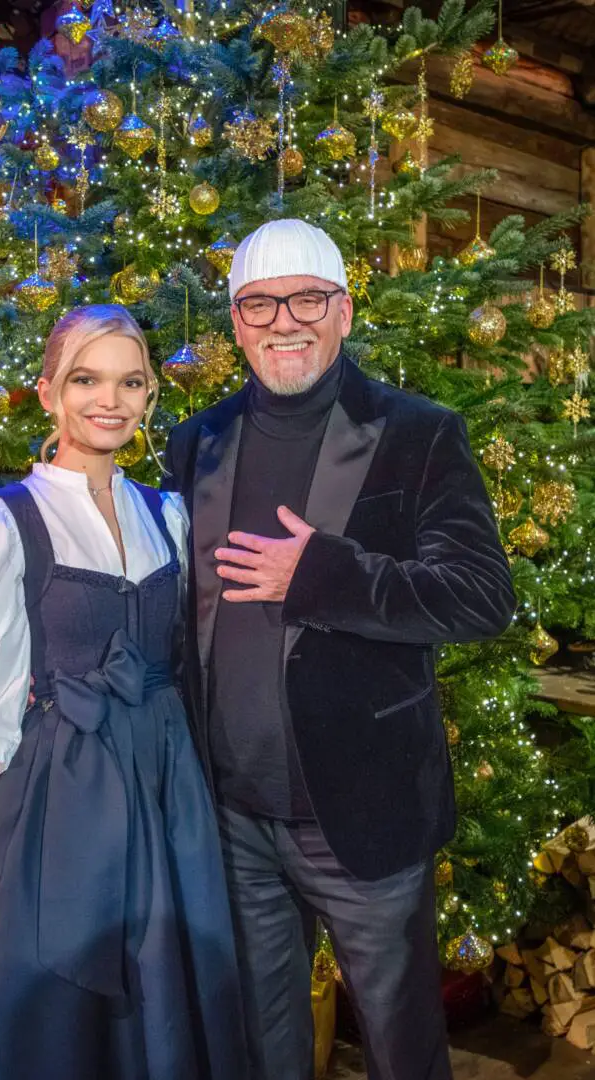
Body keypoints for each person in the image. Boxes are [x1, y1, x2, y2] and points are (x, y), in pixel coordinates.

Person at [162, 218, 516, 1080]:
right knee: (262, 1040)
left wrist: (323, 575)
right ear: (236, 322)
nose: (284, 320)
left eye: (307, 299)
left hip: (361, 808)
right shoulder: (194, 441)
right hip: (231, 807)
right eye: (259, 304)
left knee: (399, 1047)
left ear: (343, 310)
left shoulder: (418, 432)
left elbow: (480, 597)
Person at [0, 305, 247, 1080]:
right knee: (49, 1015)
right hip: (56, 800)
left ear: (150, 396)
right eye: (86, 379)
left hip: (168, 794)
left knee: (162, 1003)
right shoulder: (3, 522)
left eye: (131, 382)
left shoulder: (168, 513)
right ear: (47, 395)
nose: (110, 400)